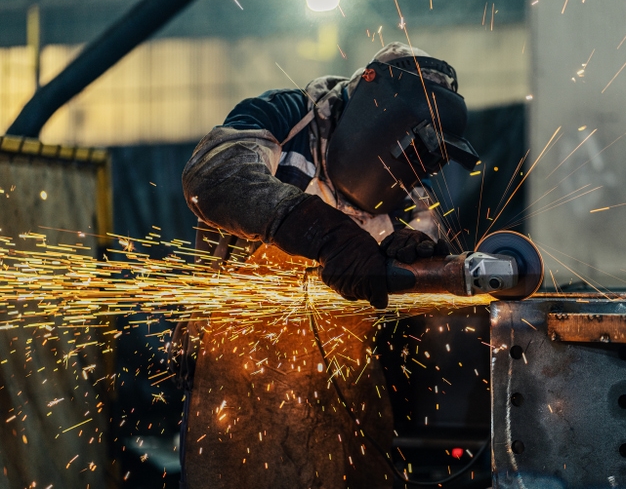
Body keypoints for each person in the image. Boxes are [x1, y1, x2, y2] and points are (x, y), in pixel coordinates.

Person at [172, 41, 479, 488]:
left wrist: (412, 255)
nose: (415, 170)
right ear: (376, 114)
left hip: (342, 376)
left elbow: (430, 251)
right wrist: (322, 232)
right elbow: (212, 175)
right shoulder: (286, 115)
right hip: (238, 366)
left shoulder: (412, 188)